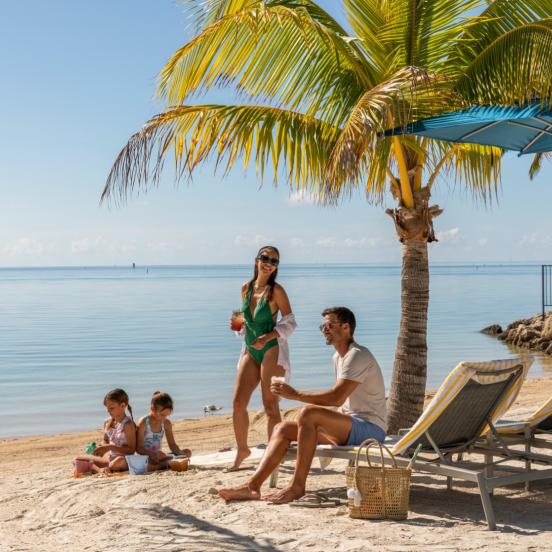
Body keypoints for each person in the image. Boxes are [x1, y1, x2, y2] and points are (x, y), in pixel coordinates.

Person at [219, 306, 386, 504]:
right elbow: (341, 401)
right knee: (282, 428)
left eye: (329, 325)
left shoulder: (357, 355)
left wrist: (295, 395)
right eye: (322, 326)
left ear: (346, 327)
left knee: (308, 413)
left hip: (371, 429)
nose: (324, 329)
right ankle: (252, 487)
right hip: (350, 425)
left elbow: (336, 398)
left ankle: (297, 486)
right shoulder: (338, 357)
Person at [228, 245, 297, 471]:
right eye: (265, 258)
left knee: (270, 405)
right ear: (256, 260)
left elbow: (290, 322)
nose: (269, 263)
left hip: (271, 349)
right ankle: (242, 450)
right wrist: (236, 324)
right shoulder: (245, 288)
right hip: (250, 349)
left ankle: (273, 453)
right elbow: (240, 316)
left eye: (274, 261)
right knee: (238, 404)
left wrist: (267, 336)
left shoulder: (276, 291)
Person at [73, 388, 137, 474]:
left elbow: (131, 450)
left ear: (123, 405)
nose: (108, 411)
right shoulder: (108, 422)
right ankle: (100, 470)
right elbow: (105, 440)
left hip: (122, 459)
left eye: (111, 408)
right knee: (76, 459)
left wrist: (109, 447)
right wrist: (100, 447)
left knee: (116, 463)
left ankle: (98, 468)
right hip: (109, 457)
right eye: (107, 408)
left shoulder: (128, 424)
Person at [136, 391, 192, 471]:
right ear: (152, 408)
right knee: (160, 455)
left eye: (167, 415)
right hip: (146, 456)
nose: (164, 418)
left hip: (160, 456)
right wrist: (152, 454)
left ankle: (164, 464)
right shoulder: (144, 422)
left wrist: (181, 454)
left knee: (187, 452)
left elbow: (172, 445)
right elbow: (139, 448)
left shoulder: (166, 423)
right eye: (162, 415)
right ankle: (163, 464)